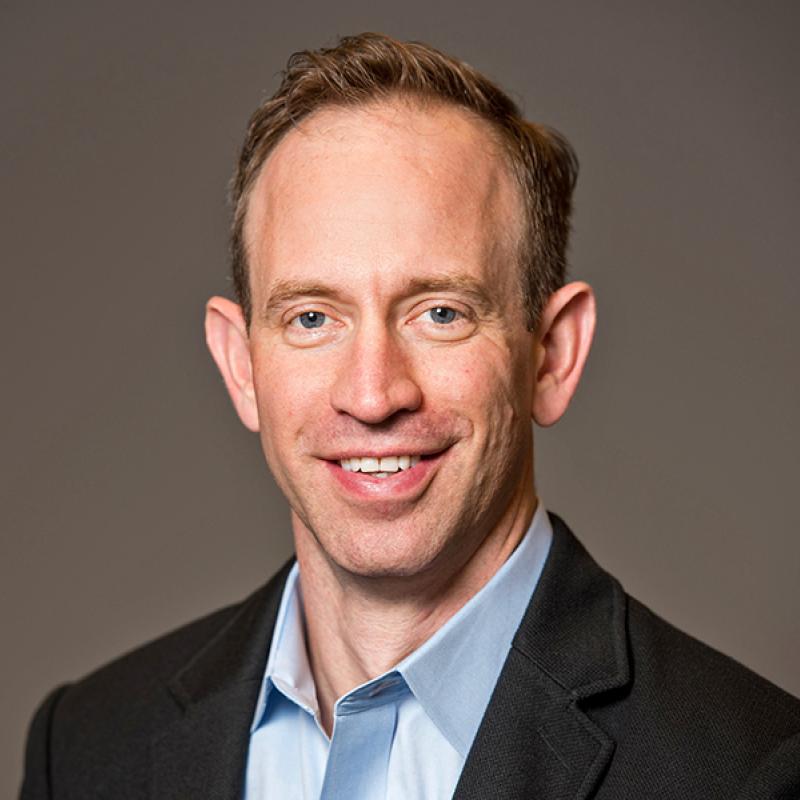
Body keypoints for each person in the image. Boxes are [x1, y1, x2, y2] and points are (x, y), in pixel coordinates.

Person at [20, 32, 800, 800]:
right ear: (240, 364)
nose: (373, 394)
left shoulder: (751, 773)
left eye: (440, 312)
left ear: (552, 355)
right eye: (312, 318)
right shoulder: (87, 749)